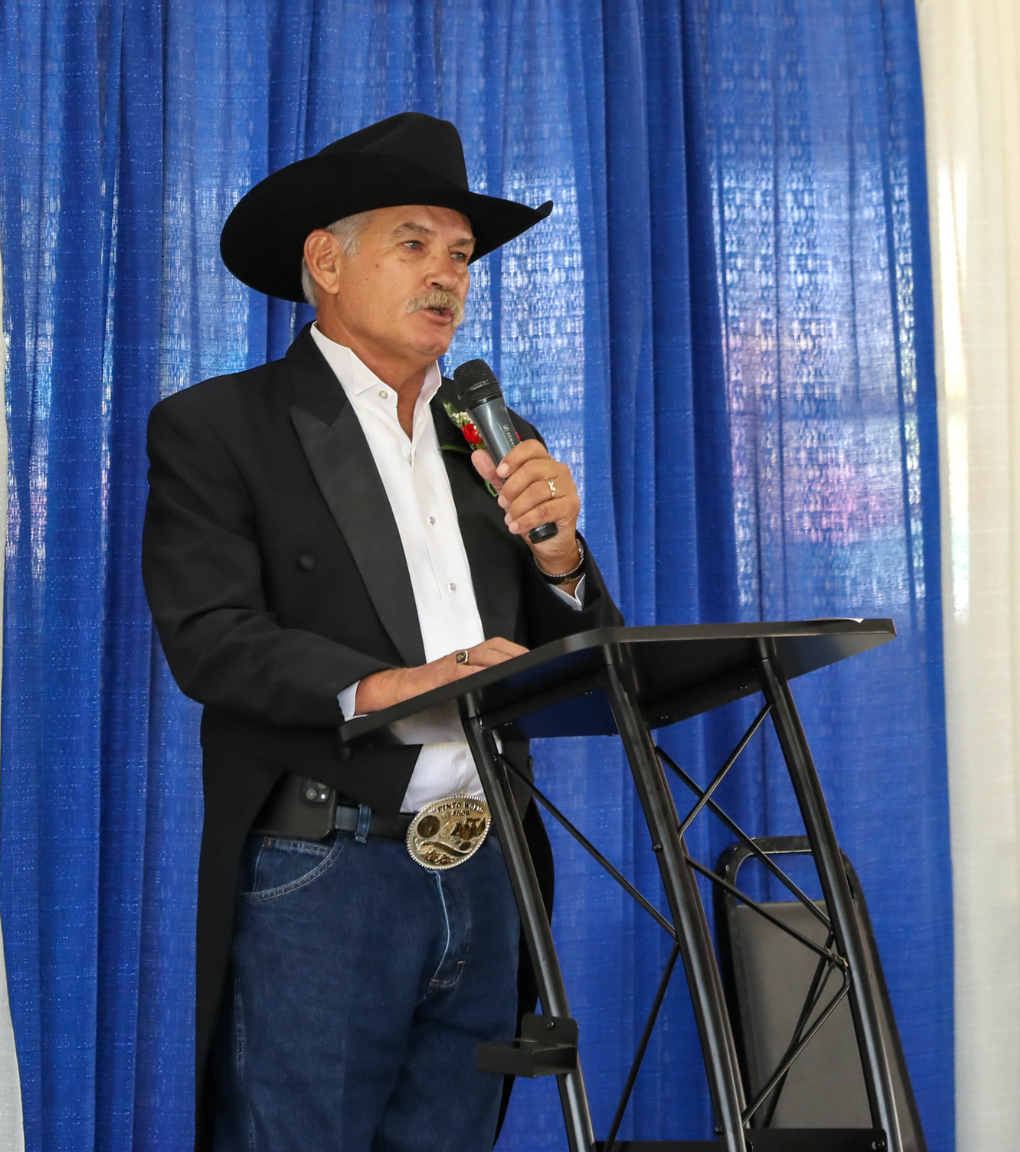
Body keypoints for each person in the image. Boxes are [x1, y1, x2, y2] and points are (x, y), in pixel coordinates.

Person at [142, 111, 622, 1152]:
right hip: (328, 873)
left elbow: (589, 657)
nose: (448, 274)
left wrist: (559, 559)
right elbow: (211, 635)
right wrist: (398, 684)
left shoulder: (493, 438)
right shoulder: (220, 428)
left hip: (486, 871)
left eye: (460, 254)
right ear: (325, 260)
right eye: (414, 243)